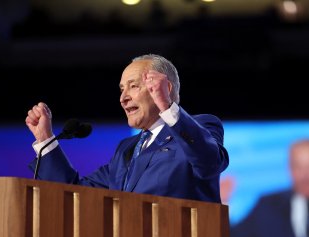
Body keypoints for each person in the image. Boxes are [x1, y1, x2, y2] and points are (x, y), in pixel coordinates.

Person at [25, 54, 229, 203]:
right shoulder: (126, 150)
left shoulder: (203, 125)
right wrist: (45, 139)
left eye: (133, 86)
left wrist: (167, 107)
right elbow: (75, 194)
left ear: (165, 88)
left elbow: (209, 163)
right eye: (122, 89)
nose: (123, 98)